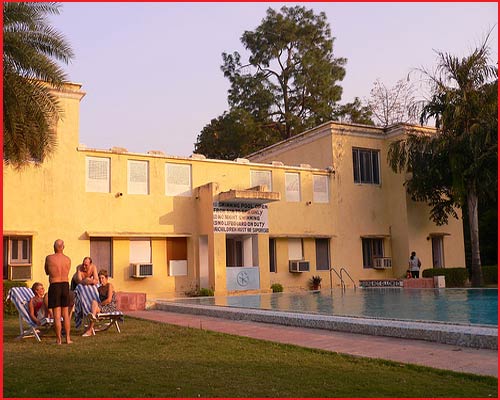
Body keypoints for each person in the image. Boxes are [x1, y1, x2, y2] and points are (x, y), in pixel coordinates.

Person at [44, 239, 72, 344]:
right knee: (65, 313)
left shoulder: (49, 258)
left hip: (55, 285)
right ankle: (68, 338)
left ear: (54, 247)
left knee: (56, 314)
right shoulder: (68, 259)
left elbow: (47, 271)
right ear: (63, 247)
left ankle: (59, 339)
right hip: (65, 285)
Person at [82, 269, 117, 337]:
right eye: (100, 278)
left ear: (106, 278)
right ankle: (93, 319)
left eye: (102, 278)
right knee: (94, 303)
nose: (101, 280)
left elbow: (109, 300)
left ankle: (89, 329)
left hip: (110, 307)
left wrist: (99, 305)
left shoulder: (109, 285)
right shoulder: (99, 288)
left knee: (95, 306)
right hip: (103, 307)